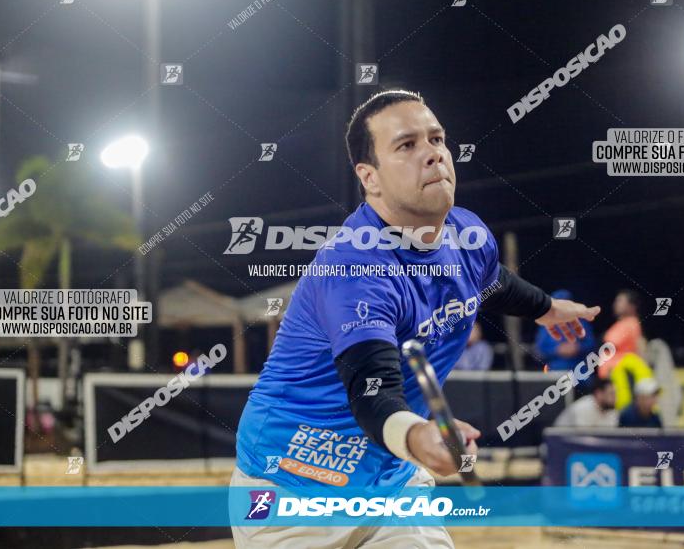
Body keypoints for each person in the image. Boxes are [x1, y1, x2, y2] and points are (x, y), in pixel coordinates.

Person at [231, 90, 600, 548]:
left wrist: (546, 308)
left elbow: (492, 280)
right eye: (407, 145)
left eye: (437, 139)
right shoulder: (353, 266)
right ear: (370, 177)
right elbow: (371, 388)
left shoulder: (467, 233)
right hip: (289, 485)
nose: (433, 154)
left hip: (391, 481)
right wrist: (418, 435)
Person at [535, 289, 596, 371]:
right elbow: (539, 350)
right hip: (554, 371)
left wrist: (578, 348)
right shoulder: (547, 325)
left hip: (580, 371)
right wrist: (556, 350)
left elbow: (592, 345)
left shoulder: (582, 323)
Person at [600, 288, 644, 377]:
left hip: (619, 373)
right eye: (616, 301)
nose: (615, 304)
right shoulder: (623, 323)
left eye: (620, 301)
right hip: (612, 373)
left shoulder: (630, 323)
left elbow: (610, 343)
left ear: (632, 306)